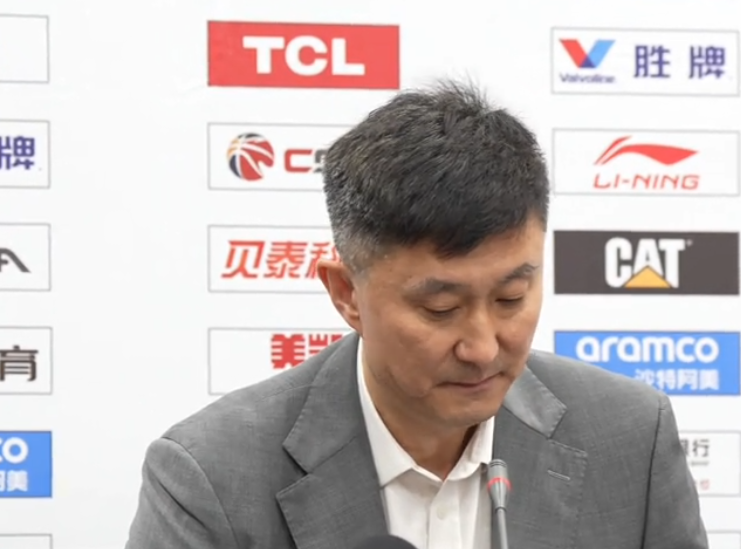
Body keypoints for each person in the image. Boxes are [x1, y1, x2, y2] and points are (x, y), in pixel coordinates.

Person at [124, 79, 707, 549]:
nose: (482, 347)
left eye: (511, 298)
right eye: (440, 308)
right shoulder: (210, 477)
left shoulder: (631, 438)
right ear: (347, 293)